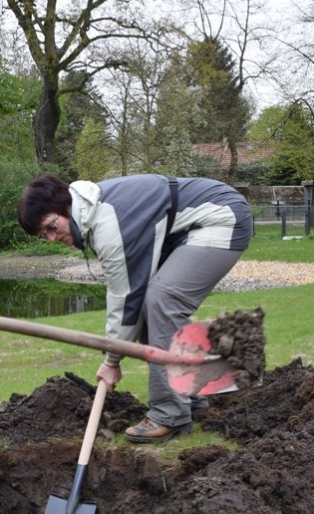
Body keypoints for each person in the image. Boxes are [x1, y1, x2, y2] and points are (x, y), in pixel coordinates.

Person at [18, 174, 251, 443]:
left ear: (67, 208)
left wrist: (111, 361)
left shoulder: (107, 222)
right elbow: (132, 301)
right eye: (41, 235)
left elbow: (124, 299)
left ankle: (169, 413)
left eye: (50, 226)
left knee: (163, 301)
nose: (50, 238)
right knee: (152, 304)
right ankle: (189, 398)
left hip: (219, 216)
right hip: (188, 228)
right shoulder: (93, 211)